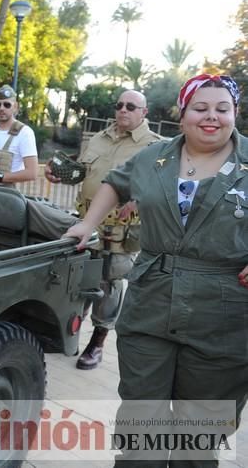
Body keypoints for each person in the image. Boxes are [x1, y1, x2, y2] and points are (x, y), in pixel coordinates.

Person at [64, 75, 248, 464]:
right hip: (152, 298)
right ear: (183, 115)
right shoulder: (154, 156)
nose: (211, 117)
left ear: (236, 114)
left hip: (223, 309)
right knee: (140, 420)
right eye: (200, 108)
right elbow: (116, 182)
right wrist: (88, 223)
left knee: (198, 429)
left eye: (222, 109)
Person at [45, 89, 161, 370]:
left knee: (110, 282)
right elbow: (84, 173)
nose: (123, 110)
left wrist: (138, 200)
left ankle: (98, 341)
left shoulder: (154, 146)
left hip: (121, 229)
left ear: (144, 113)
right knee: (81, 277)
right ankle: (72, 330)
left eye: (131, 106)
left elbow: (161, 187)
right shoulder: (99, 137)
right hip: (87, 222)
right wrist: (60, 176)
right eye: (120, 105)